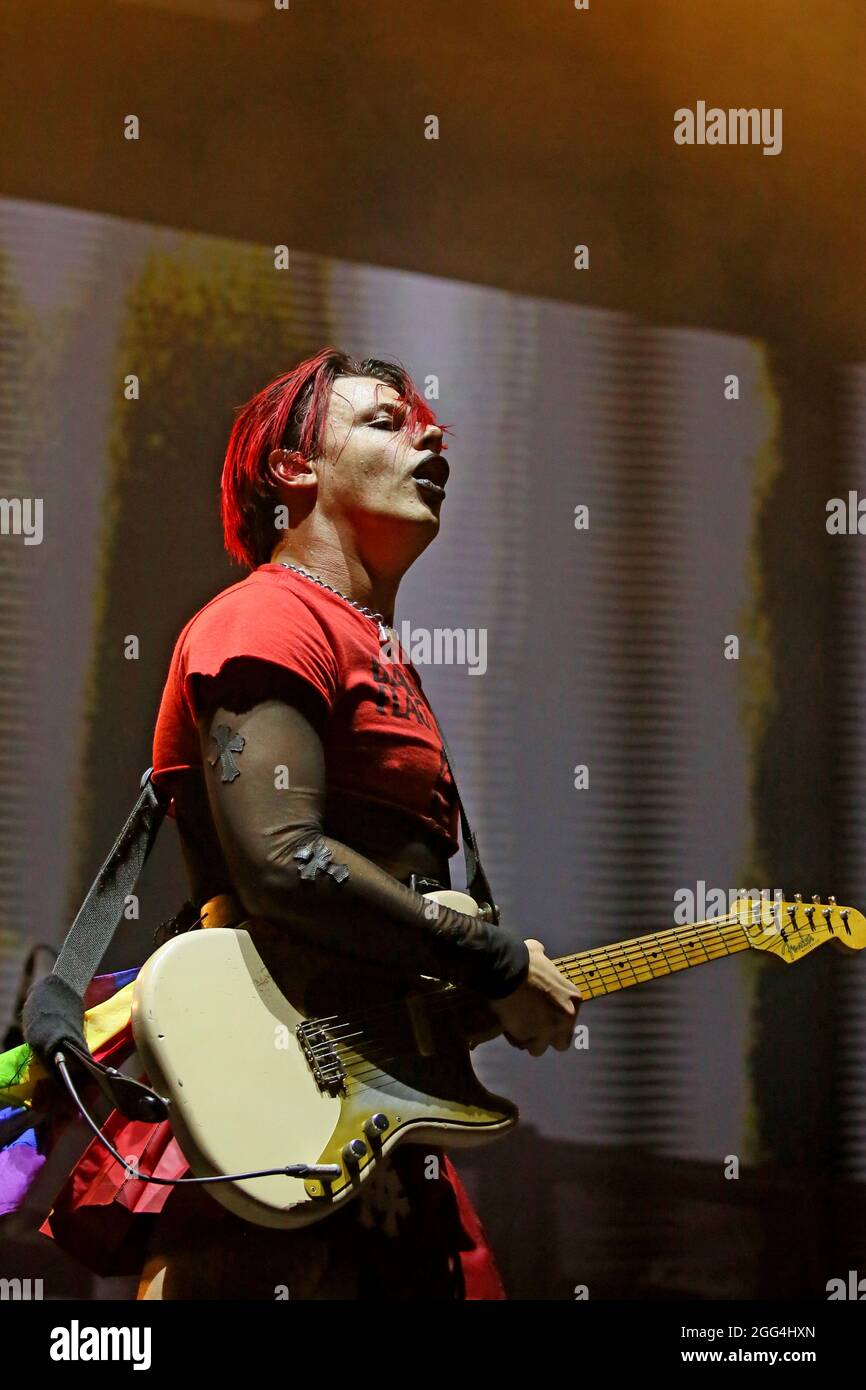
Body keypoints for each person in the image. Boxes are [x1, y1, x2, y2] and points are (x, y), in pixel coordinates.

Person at [1, 348, 581, 1299]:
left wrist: (479, 988)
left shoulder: (375, 652)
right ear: (293, 469)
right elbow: (284, 862)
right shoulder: (270, 619)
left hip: (374, 1120)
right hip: (271, 1097)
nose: (430, 433)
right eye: (385, 422)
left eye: (429, 422)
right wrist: (499, 963)